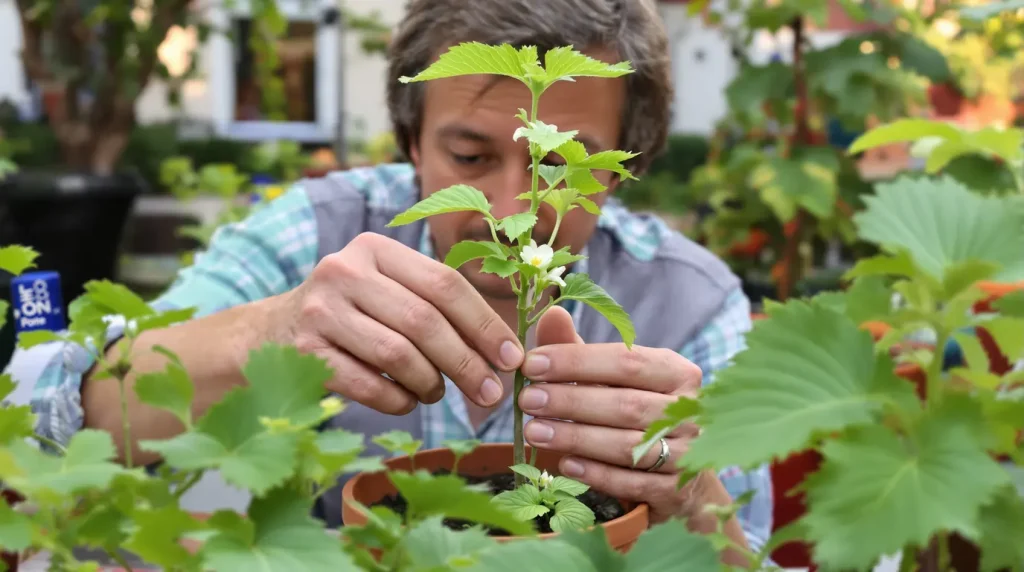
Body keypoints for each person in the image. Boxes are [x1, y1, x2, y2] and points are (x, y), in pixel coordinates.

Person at [9, 0, 773, 563]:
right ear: (411, 142)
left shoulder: (690, 302)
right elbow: (35, 412)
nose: (514, 212)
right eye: (470, 158)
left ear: (625, 164)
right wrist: (267, 333)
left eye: (563, 169)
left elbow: (751, 552)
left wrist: (694, 497)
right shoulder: (318, 234)